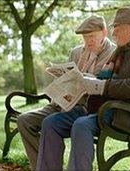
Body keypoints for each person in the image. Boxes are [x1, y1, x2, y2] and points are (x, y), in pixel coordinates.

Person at [36, 7, 130, 171]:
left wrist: (100, 86)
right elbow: (103, 80)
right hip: (101, 109)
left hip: (125, 115)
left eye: (116, 28)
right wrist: (86, 81)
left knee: (81, 125)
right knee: (51, 123)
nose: (114, 33)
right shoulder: (119, 52)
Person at [17, 15, 116, 171]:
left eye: (91, 36)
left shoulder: (114, 53)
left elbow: (105, 85)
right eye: (85, 37)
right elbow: (68, 77)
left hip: (83, 108)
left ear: (104, 32)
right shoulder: (77, 52)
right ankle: (42, 167)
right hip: (61, 103)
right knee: (24, 120)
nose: (88, 41)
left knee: (50, 123)